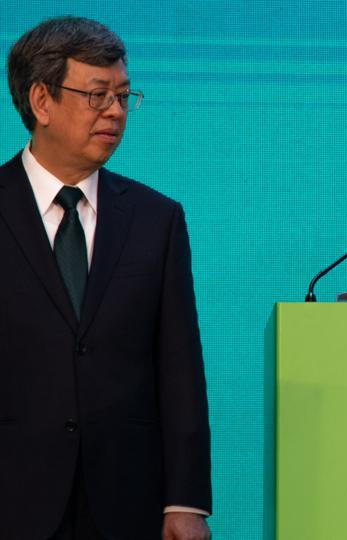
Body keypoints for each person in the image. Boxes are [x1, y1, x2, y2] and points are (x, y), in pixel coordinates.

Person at [0, 17, 212, 539]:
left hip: (126, 499)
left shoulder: (156, 219)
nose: (115, 111)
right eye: (97, 95)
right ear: (42, 101)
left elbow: (179, 367)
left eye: (122, 96)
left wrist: (186, 501)